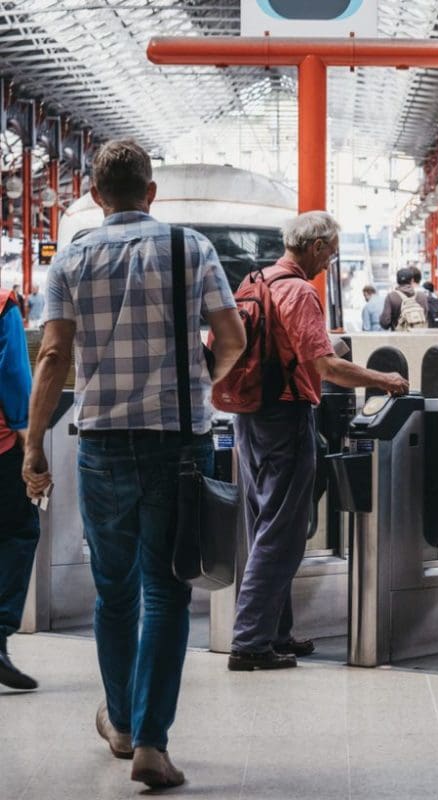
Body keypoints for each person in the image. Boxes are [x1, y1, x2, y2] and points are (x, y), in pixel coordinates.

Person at [21, 139, 248, 789]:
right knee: (166, 590)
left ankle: (119, 723)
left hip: (102, 446)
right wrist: (195, 384)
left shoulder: (70, 260)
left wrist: (35, 445)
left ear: (96, 197)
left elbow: (53, 357)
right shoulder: (190, 248)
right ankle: (152, 743)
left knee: (114, 592)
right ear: (152, 192)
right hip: (179, 445)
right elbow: (232, 341)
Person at [228, 211, 408, 674]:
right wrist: (383, 379)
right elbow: (327, 368)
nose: (329, 261)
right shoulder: (300, 290)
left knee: (263, 526)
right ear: (315, 246)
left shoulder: (255, 282)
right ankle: (250, 642)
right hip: (285, 416)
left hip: (248, 416)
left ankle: (275, 632)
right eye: (329, 252)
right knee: (282, 532)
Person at [0, 283, 37, 691]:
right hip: (1, 445)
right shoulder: (2, 303)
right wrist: (28, 436)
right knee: (18, 532)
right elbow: (11, 372)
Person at [379, 266, 428, 331]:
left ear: (397, 281)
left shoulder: (391, 297)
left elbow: (385, 323)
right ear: (412, 280)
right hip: (418, 337)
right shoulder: (422, 296)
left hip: (399, 338)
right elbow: (425, 317)